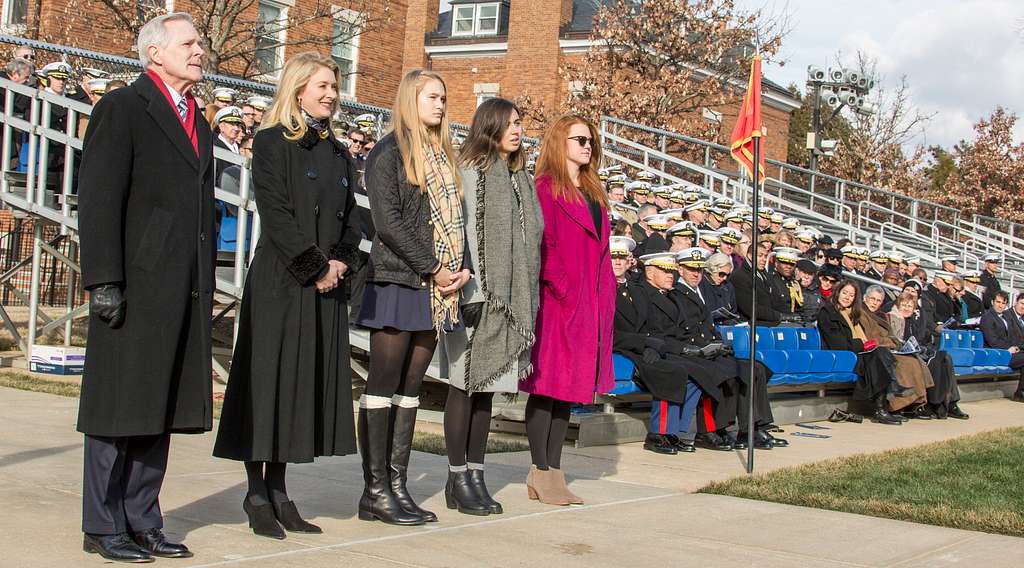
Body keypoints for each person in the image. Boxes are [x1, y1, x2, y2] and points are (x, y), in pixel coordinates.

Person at [76, 13, 213, 562]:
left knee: (160, 410)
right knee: (119, 407)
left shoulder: (196, 118)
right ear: (155, 53)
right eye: (190, 43)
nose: (200, 51)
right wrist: (104, 279)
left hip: (182, 288)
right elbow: (99, 198)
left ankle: (142, 518)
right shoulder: (121, 109)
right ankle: (102, 523)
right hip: (132, 287)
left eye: (200, 43)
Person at [213, 52, 364, 539]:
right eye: (321, 86)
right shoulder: (273, 142)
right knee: (270, 384)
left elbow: (350, 220)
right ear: (298, 89)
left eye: (334, 88)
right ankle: (256, 492)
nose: (330, 95)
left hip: (325, 288)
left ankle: (280, 491)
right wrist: (314, 266)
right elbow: (274, 212)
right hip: (283, 283)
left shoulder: (341, 153)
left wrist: (340, 260)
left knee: (301, 389)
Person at [356, 69, 470, 526]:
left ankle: (397, 485)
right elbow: (389, 224)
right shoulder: (389, 153)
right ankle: (375, 491)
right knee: (383, 384)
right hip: (400, 280)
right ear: (410, 99)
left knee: (410, 389)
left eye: (444, 97)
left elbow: (455, 221)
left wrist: (455, 272)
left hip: (435, 289)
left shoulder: (444, 155)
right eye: (432, 97)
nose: (441, 105)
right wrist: (435, 267)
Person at [437, 98, 544, 516]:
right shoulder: (469, 172)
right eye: (510, 123)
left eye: (520, 123)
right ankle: (456, 475)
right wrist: (470, 292)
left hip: (509, 302)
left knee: (486, 393)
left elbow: (529, 243)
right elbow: (457, 232)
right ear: (490, 127)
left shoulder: (522, 180)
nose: (517, 130)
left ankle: (475, 475)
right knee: (464, 388)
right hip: (474, 297)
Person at [521, 114, 615, 506]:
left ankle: (553, 471)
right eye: (580, 139)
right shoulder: (546, 187)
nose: (587, 146)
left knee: (568, 392)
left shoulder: (594, 191)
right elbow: (545, 244)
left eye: (591, 140)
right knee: (547, 387)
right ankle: (540, 469)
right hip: (559, 303)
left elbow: (603, 248)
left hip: (590, 301)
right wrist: (562, 287)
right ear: (560, 142)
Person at [817, 281, 904, 425]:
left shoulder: (852, 313)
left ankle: (882, 408)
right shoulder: (827, 312)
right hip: (840, 354)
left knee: (881, 353)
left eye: (851, 295)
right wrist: (862, 345)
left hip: (855, 351)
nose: (847, 297)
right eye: (845, 293)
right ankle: (881, 407)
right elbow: (837, 343)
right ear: (838, 292)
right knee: (877, 356)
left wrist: (864, 345)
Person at [862, 285, 935, 419]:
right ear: (865, 298)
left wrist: (893, 342)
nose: (875, 303)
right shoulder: (863, 313)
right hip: (875, 351)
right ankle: (897, 406)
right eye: (872, 299)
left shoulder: (880, 315)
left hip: (887, 347)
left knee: (914, 360)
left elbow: (891, 336)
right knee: (907, 362)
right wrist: (891, 342)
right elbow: (872, 338)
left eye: (878, 301)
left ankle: (915, 403)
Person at [980, 291, 1024, 402]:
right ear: (992, 302)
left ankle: (1020, 392)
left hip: (1007, 352)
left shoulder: (1004, 317)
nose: (1000, 305)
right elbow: (992, 340)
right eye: (998, 302)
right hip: (996, 353)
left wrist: (1016, 347)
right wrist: (1009, 348)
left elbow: (1011, 337)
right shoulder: (987, 317)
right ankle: (1020, 393)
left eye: (1003, 303)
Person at [700, 252, 739, 324]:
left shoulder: (728, 286)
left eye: (727, 275)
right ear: (712, 269)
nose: (724, 278)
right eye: (721, 274)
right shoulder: (701, 283)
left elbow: (734, 311)